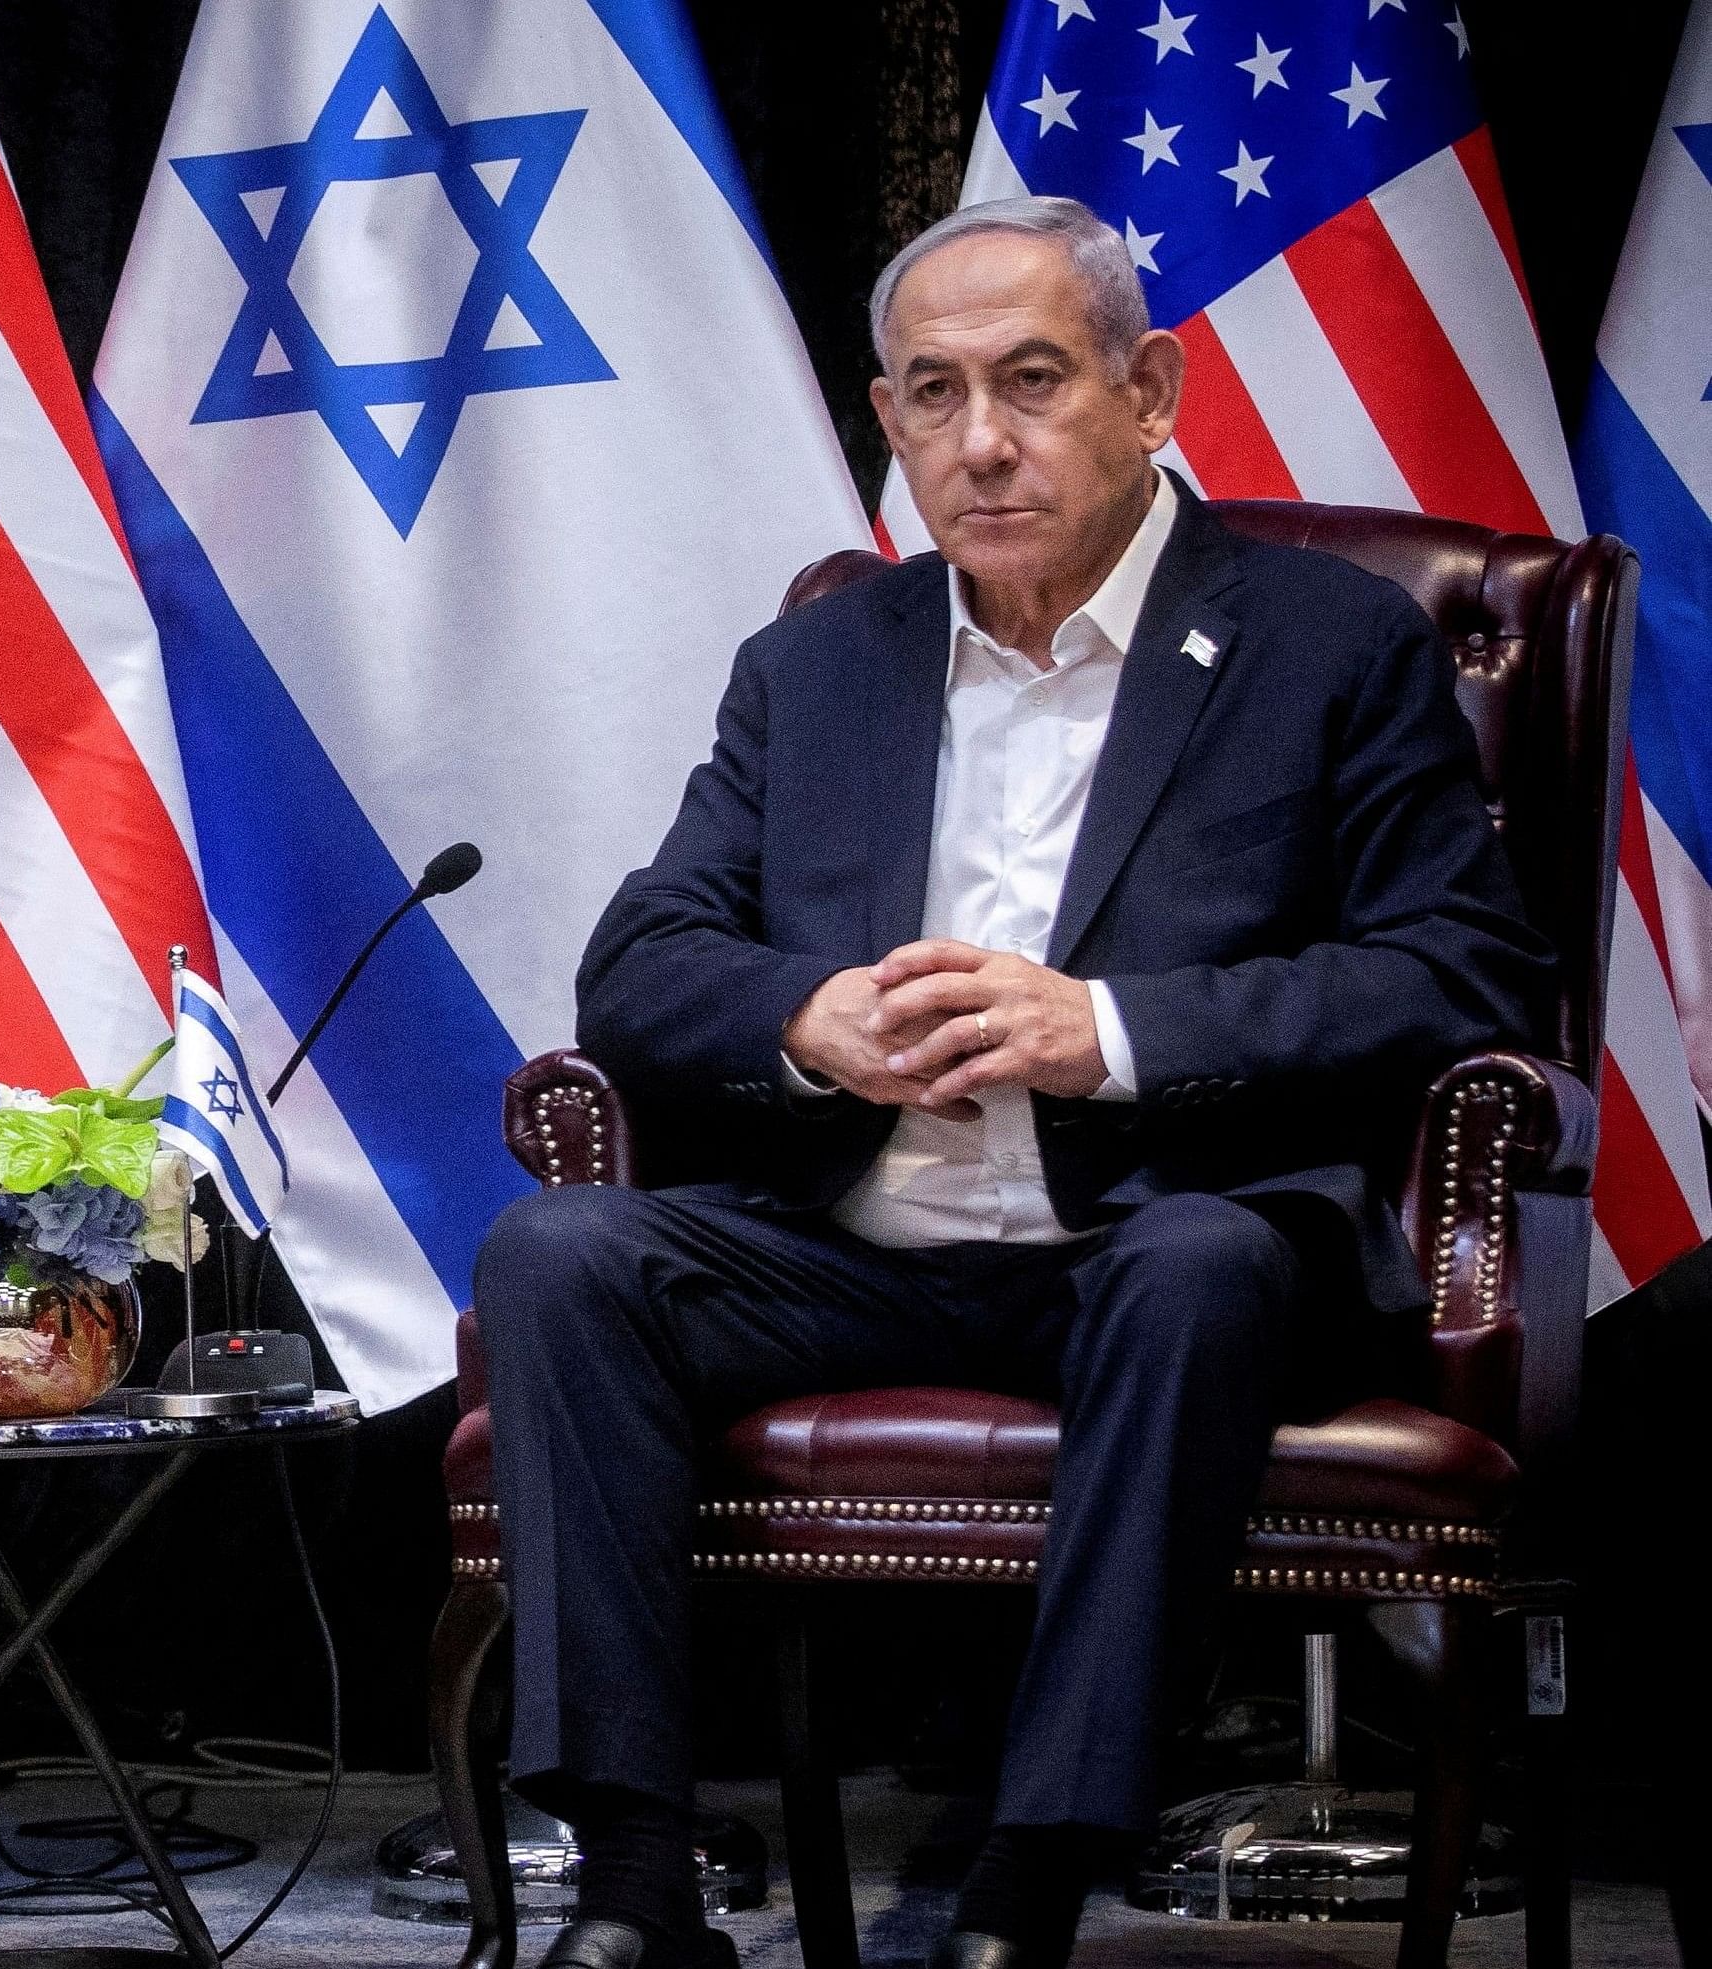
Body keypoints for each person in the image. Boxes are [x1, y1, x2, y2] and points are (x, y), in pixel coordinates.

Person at [475, 197, 1547, 1969]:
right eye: (934, 394)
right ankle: (635, 1877)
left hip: (1155, 1239)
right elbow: (643, 964)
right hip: (853, 1242)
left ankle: (1031, 1882)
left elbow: (1459, 972)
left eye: (1033, 382)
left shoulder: (1328, 647)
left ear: (1151, 392)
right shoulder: (819, 665)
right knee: (559, 1255)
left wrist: (1104, 1034)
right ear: (887, 422)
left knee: (1200, 1267)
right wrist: (808, 1015)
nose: (982, 442)